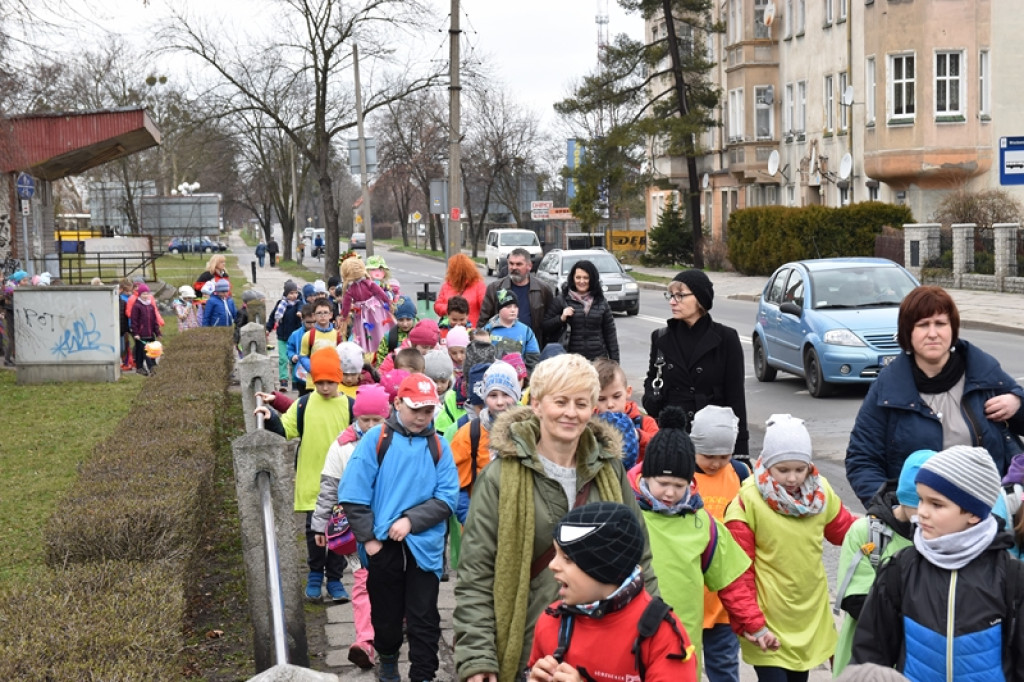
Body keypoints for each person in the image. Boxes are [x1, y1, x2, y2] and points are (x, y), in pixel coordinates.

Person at [453, 353, 659, 682]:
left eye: (581, 403)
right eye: (560, 401)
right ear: (536, 404)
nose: (570, 413)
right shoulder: (500, 478)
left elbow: (639, 559)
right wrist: (477, 656)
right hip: (528, 648)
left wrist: (653, 631)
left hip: (605, 651)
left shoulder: (610, 471)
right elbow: (476, 575)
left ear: (593, 408)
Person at [851, 445, 1024, 681]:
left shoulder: (1011, 576)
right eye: (921, 500)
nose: (922, 512)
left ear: (973, 513)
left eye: (936, 504)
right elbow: (870, 652)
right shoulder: (900, 569)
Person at [846, 285, 1024, 506]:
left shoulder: (984, 372)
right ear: (907, 333)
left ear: (952, 329)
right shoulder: (888, 389)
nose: (933, 333)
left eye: (940, 323)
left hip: (991, 517)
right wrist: (894, 511)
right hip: (919, 523)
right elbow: (862, 460)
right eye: (922, 325)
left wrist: (1018, 402)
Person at [629, 407, 771, 679]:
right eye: (663, 483)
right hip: (632, 639)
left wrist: (755, 625)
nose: (670, 493)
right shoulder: (629, 517)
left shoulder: (704, 524)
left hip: (684, 642)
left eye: (679, 485)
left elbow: (732, 583)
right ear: (645, 476)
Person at [339, 373, 459, 682]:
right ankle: (388, 659)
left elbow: (448, 498)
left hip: (425, 549)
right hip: (383, 548)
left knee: (424, 619)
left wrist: (411, 520)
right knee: (387, 619)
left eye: (428, 410)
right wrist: (369, 541)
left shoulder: (439, 446)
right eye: (415, 409)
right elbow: (353, 494)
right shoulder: (375, 440)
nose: (421, 417)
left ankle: (423, 674)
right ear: (397, 404)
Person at [724, 414, 856, 682]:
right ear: (766, 463)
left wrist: (880, 526)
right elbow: (736, 573)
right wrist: (753, 622)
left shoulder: (821, 494)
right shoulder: (747, 502)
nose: (793, 478)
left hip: (808, 617)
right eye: (783, 470)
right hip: (766, 621)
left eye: (800, 469)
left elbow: (846, 531)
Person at [526, 502, 698, 682]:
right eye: (555, 554)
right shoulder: (552, 620)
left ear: (603, 568)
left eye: (567, 558)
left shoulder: (661, 633)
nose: (552, 565)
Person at [256, 347, 352, 602]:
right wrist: (270, 416)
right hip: (312, 481)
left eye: (329, 382)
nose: (324, 387)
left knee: (340, 531)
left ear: (338, 379)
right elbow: (286, 430)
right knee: (314, 531)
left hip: (344, 483)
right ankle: (314, 574)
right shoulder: (304, 404)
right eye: (319, 382)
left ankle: (334, 578)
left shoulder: (350, 407)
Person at [832, 450, 936, 676]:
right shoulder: (866, 532)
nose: (926, 515)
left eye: (936, 505)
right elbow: (856, 601)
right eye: (919, 504)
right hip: (866, 666)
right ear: (906, 497)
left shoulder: (940, 537)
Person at [311, 383, 392, 670]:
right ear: (355, 417)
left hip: (391, 526)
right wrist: (319, 525)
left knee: (394, 580)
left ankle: (395, 624)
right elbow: (329, 488)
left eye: (376, 420)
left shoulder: (397, 442)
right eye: (364, 419)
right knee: (362, 580)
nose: (370, 426)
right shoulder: (342, 446)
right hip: (356, 527)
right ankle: (365, 641)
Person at [643, 269, 749, 459]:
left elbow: (736, 398)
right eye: (671, 295)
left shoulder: (726, 338)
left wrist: (740, 451)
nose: (672, 301)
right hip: (673, 439)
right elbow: (652, 378)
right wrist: (652, 398)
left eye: (680, 295)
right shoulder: (661, 338)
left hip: (712, 442)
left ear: (700, 300)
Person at [688, 405, 751, 682]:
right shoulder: (679, 476)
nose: (715, 463)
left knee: (724, 665)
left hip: (725, 599)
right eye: (708, 456)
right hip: (688, 594)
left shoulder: (740, 473)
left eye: (723, 456)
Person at [450, 361, 521, 524]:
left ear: (516, 395)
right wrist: (471, 521)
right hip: (480, 522)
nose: (500, 402)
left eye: (506, 394)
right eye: (493, 395)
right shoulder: (469, 434)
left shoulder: (530, 431)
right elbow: (455, 486)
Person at [544, 259, 619, 362]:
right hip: (571, 361)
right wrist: (561, 318)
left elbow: (610, 335)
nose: (581, 281)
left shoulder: (601, 302)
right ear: (572, 278)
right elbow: (545, 326)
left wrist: (615, 363)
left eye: (586, 278)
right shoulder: (562, 300)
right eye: (578, 277)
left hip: (598, 360)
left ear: (592, 279)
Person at [479, 247, 555, 346]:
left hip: (532, 347)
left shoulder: (543, 289)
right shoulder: (495, 288)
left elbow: (549, 322)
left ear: (529, 266)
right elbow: (484, 320)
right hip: (500, 347)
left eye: (519, 264)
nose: (514, 268)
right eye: (511, 263)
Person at [595, 358, 659, 465]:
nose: (610, 404)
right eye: (601, 399)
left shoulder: (645, 422)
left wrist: (638, 436)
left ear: (628, 392)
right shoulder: (590, 421)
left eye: (616, 396)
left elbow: (660, 447)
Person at [338, 257, 393, 355]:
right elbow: (346, 304)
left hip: (369, 310)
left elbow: (379, 292)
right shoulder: (355, 287)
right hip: (367, 311)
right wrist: (344, 316)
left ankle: (377, 347)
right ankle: (371, 349)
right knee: (368, 331)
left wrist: (344, 317)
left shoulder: (361, 285)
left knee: (373, 329)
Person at [483, 289, 540, 372]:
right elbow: (480, 355)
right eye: (508, 307)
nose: (513, 310)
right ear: (499, 309)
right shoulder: (488, 329)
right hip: (493, 377)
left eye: (515, 307)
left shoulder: (526, 331)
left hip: (519, 379)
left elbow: (533, 357)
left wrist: (525, 377)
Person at [268, 281, 304, 392]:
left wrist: (300, 313)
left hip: (294, 338)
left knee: (293, 359)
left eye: (295, 293)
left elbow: (302, 309)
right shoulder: (281, 304)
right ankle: (283, 380)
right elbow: (273, 317)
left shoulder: (298, 303)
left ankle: (295, 380)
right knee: (283, 358)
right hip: (282, 337)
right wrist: (268, 328)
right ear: (286, 293)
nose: (294, 295)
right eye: (291, 293)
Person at [435, 253, 487, 328]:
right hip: (450, 329)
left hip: (471, 329)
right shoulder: (447, 286)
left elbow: (485, 308)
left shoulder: (479, 286)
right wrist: (451, 309)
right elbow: (437, 306)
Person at [130, 283, 162, 376]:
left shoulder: (150, 306)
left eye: (147, 293)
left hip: (150, 333)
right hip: (141, 334)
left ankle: (152, 366)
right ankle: (145, 368)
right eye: (143, 294)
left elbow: (154, 321)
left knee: (151, 351)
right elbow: (134, 321)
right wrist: (135, 332)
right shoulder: (137, 306)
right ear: (139, 295)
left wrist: (158, 332)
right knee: (143, 352)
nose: (145, 295)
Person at [377, 296, 418, 366]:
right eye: (401, 320)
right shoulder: (389, 337)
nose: (405, 324)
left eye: (408, 319)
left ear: (413, 318)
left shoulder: (421, 333)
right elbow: (381, 359)